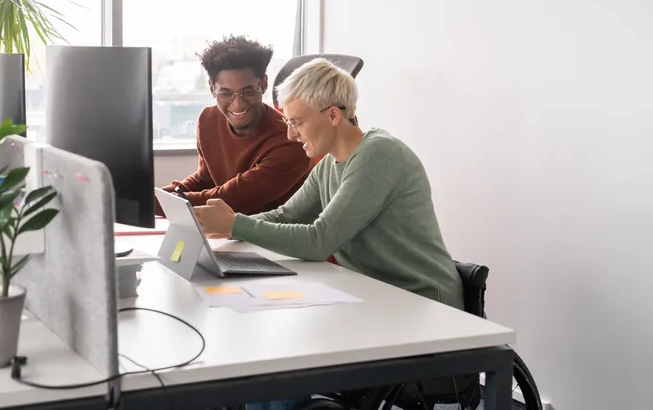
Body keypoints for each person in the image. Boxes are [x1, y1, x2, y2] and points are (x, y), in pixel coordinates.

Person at [193, 58, 465, 410]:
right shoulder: (328, 165)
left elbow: (319, 240)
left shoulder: (378, 155)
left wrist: (235, 225)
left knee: (281, 372)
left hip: (418, 307)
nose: (291, 134)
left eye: (297, 122)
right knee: (266, 363)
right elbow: (286, 215)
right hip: (373, 299)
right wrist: (226, 227)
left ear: (333, 115)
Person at [161, 35, 311, 215]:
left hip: (270, 237)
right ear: (211, 88)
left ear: (263, 84)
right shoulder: (208, 119)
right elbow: (205, 179)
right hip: (227, 232)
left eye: (248, 92)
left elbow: (231, 200)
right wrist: (159, 196)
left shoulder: (290, 141)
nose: (237, 104)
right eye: (225, 94)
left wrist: (159, 203)